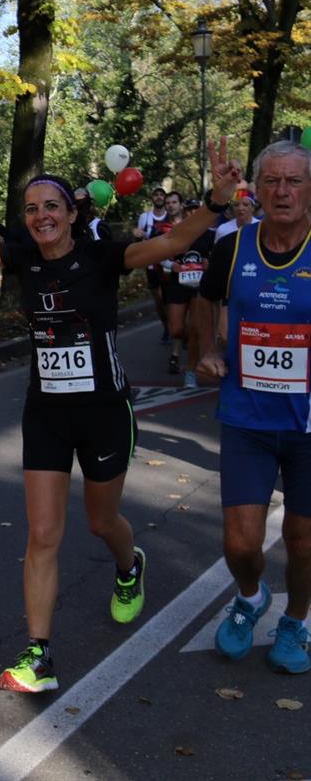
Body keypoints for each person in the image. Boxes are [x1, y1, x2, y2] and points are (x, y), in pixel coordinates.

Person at [0, 121, 239, 693]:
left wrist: (217, 201)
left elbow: (174, 242)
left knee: (102, 522)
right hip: (47, 414)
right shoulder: (23, 260)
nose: (41, 215)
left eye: (52, 206)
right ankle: (39, 656)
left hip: (104, 413)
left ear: (73, 214)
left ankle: (129, 566)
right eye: (31, 209)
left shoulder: (103, 257)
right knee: (43, 534)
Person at [195, 138, 311, 676]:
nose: (283, 191)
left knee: (303, 543)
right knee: (240, 544)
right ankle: (249, 597)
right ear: (256, 189)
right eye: (272, 181)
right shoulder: (233, 247)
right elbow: (205, 298)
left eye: (294, 181)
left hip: (308, 425)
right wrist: (207, 350)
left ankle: (295, 621)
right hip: (247, 418)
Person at [158, 196, 216, 385]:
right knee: (176, 330)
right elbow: (159, 254)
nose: (192, 213)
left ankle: (190, 372)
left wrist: (210, 264)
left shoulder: (211, 234)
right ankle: (190, 341)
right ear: (185, 212)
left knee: (194, 330)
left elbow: (218, 258)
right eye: (189, 210)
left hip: (199, 287)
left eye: (195, 209)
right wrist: (171, 265)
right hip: (177, 285)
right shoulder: (177, 232)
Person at [134, 188, 170, 343]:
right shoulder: (145, 217)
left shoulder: (170, 215)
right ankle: (167, 327)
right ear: (152, 198)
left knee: (170, 298)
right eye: (156, 195)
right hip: (152, 264)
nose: (159, 197)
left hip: (170, 263)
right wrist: (137, 236)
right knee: (159, 300)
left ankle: (176, 328)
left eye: (162, 194)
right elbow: (139, 240)